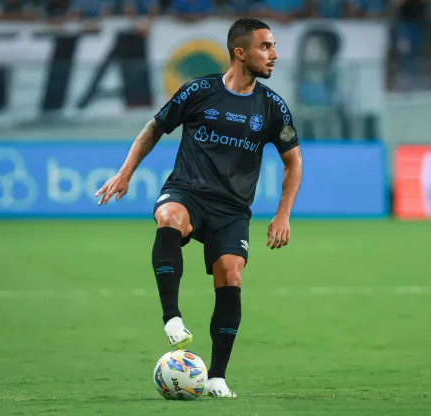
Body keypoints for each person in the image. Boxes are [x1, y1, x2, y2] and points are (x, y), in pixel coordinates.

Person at [94, 17, 303, 398]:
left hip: (233, 210)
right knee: (169, 216)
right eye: (265, 47)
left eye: (273, 46)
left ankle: (217, 376)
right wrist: (125, 173)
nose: (274, 54)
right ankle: (171, 317)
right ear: (240, 53)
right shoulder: (198, 91)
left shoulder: (272, 106)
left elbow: (294, 162)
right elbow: (153, 128)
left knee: (231, 274)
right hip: (188, 192)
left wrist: (283, 213)